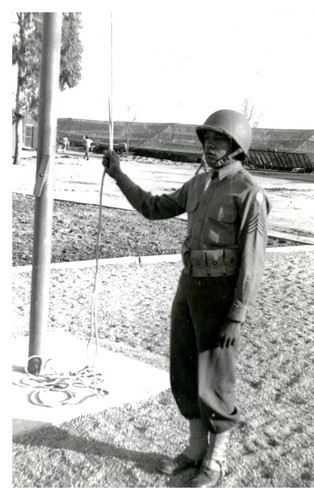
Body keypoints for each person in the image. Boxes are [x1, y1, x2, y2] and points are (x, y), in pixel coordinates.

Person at [102, 110, 271, 488]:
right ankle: (195, 450)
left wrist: (237, 315)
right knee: (184, 369)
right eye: (206, 141)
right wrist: (118, 175)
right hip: (189, 287)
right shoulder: (199, 185)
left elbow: (253, 262)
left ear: (236, 147)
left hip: (221, 295)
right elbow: (153, 207)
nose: (209, 148)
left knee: (215, 379)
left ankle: (216, 460)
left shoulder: (249, 193)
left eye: (218, 141)